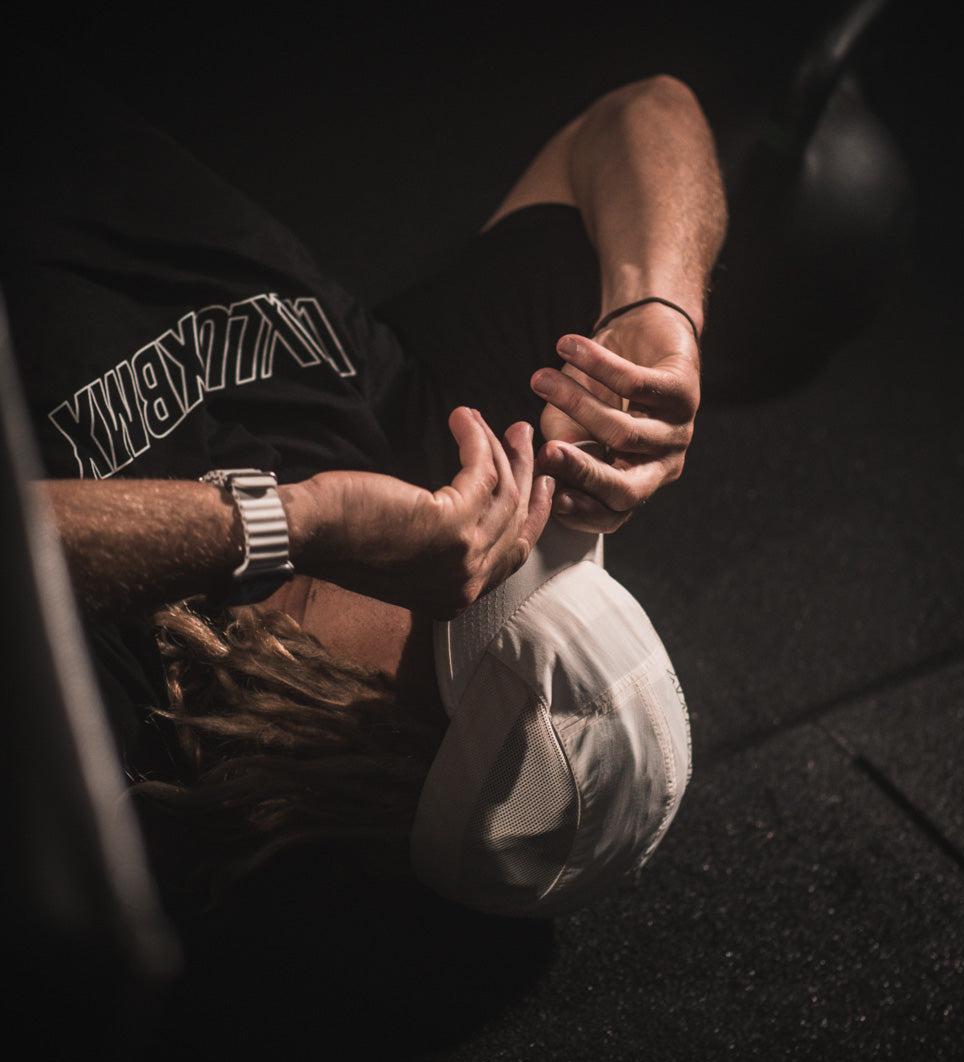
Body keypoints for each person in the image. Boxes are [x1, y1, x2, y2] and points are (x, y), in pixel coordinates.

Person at [2, 55, 726, 914]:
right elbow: (643, 111)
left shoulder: (122, 719)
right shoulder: (431, 455)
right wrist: (657, 309)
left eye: (475, 597)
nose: (491, 537)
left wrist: (295, 524)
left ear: (364, 731)